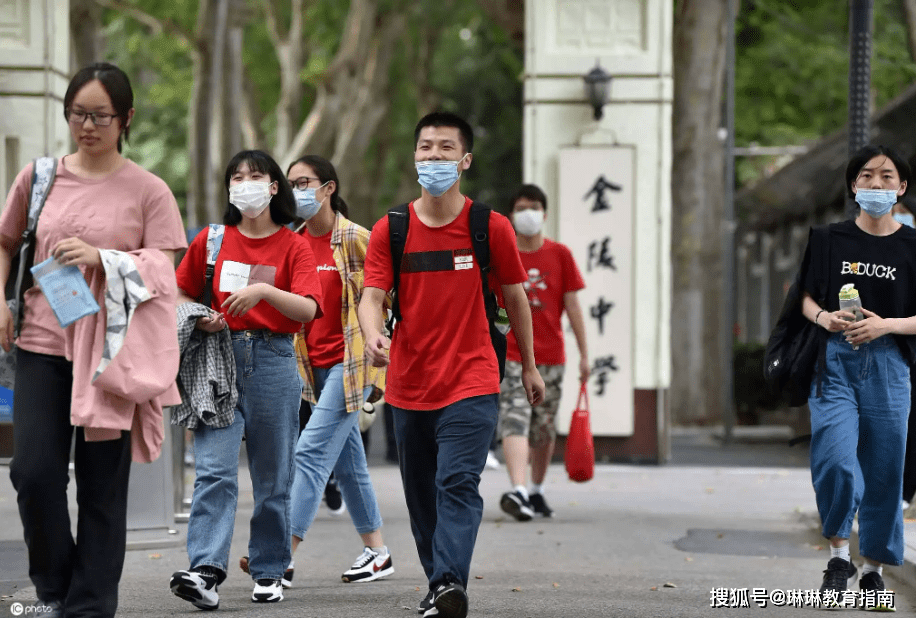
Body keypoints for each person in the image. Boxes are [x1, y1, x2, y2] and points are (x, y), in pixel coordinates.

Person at [2, 63, 187, 617]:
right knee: (32, 473)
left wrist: (104, 257)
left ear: (125, 118)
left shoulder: (148, 191)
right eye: (78, 113)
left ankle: (89, 608)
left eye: (101, 115)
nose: (88, 125)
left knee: (103, 491)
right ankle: (55, 588)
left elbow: (163, 270)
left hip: (111, 356)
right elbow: (7, 242)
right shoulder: (37, 179)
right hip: (40, 347)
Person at [358, 112, 545, 618]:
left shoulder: (490, 227)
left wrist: (528, 366)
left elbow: (516, 298)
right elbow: (371, 296)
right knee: (421, 497)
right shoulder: (391, 228)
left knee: (457, 484)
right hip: (409, 384)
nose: (433, 156)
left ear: (464, 161)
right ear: (414, 156)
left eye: (445, 148)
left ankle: (447, 583)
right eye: (425, 147)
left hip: (473, 377)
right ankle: (440, 582)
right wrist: (374, 335)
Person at [170, 150, 322, 608]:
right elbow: (180, 290)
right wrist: (198, 317)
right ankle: (206, 571)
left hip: (275, 361)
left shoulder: (294, 245)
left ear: (274, 187)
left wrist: (263, 292)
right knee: (214, 472)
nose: (245, 184)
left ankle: (270, 568)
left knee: (274, 475)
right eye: (236, 177)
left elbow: (309, 310)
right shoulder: (212, 240)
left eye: (255, 176)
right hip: (218, 359)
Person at [799, 144, 916, 606]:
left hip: (890, 366)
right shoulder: (828, 239)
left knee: (886, 467)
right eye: (866, 176)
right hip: (835, 363)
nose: (876, 184)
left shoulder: (913, 246)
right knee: (836, 459)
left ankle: (873, 568)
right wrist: (823, 317)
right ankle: (837, 555)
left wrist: (885, 324)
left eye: (887, 177)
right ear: (853, 185)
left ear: (902, 187)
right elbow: (803, 298)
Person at [283, 154, 393, 584]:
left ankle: (279, 555)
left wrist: (382, 356)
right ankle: (378, 552)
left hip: (353, 364)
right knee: (348, 465)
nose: (296, 192)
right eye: (290, 183)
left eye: (304, 182)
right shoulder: (291, 242)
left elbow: (385, 300)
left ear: (329, 188)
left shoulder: (357, 239)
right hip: (312, 367)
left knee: (309, 453)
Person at [497, 184, 589, 521]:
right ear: (511, 215)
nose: (527, 214)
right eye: (520, 208)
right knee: (514, 417)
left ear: (545, 213)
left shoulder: (560, 254)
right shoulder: (505, 253)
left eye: (533, 207)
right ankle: (518, 489)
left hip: (552, 357)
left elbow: (573, 306)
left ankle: (536, 489)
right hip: (512, 355)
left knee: (544, 429)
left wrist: (584, 355)